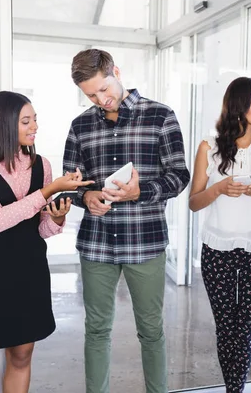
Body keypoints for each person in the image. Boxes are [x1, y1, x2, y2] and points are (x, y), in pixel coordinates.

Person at [63, 49, 190, 393]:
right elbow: (70, 183)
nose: (100, 99)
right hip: (96, 244)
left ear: (116, 72)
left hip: (145, 242)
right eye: (90, 95)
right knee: (97, 330)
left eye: (104, 89)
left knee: (151, 330)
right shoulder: (80, 126)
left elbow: (180, 176)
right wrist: (85, 198)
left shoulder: (161, 116)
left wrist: (140, 192)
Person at [0, 91, 92, 393]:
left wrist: (55, 218)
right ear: (3, 123)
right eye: (26, 121)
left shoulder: (42, 165)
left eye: (35, 120)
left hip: (28, 273)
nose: (35, 127)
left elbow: (38, 228)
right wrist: (48, 191)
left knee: (20, 356)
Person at [188, 76, 251, 393]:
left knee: (246, 328)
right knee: (227, 326)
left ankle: (235, 390)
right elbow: (193, 202)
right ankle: (235, 389)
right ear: (238, 104)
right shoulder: (209, 147)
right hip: (217, 249)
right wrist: (219, 188)